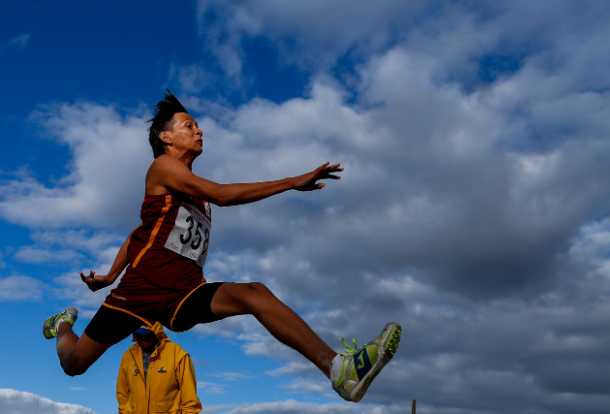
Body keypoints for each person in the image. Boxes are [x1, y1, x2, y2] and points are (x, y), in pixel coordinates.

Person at [42, 91, 401, 402]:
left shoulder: (196, 198)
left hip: (182, 293)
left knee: (254, 294)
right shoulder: (162, 167)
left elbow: (140, 232)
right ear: (165, 137)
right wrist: (292, 181)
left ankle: (339, 370)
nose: (199, 130)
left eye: (198, 126)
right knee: (74, 364)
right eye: (188, 125)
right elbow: (222, 193)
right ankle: (62, 325)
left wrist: (107, 274)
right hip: (140, 292)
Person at [117, 324, 202, 414]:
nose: (142, 339)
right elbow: (123, 395)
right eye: (138, 335)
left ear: (157, 333)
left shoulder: (177, 354)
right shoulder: (128, 356)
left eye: (146, 336)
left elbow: (190, 400)